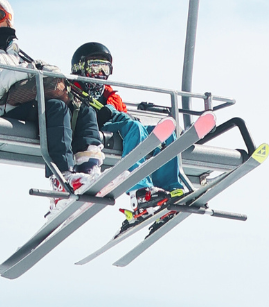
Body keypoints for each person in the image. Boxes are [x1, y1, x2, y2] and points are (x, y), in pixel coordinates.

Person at [0, 0, 103, 209]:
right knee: (55, 107)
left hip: (23, 103)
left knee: (82, 108)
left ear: (8, 19)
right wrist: (26, 71)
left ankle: (88, 167)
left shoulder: (14, 53)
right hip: (1, 108)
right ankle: (61, 179)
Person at [69, 41, 185, 212]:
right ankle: (139, 190)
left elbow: (124, 115)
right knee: (134, 127)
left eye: (105, 69)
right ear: (81, 67)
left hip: (122, 126)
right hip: (98, 128)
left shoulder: (111, 95)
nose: (100, 74)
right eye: (95, 68)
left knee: (167, 136)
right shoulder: (73, 89)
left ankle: (168, 189)